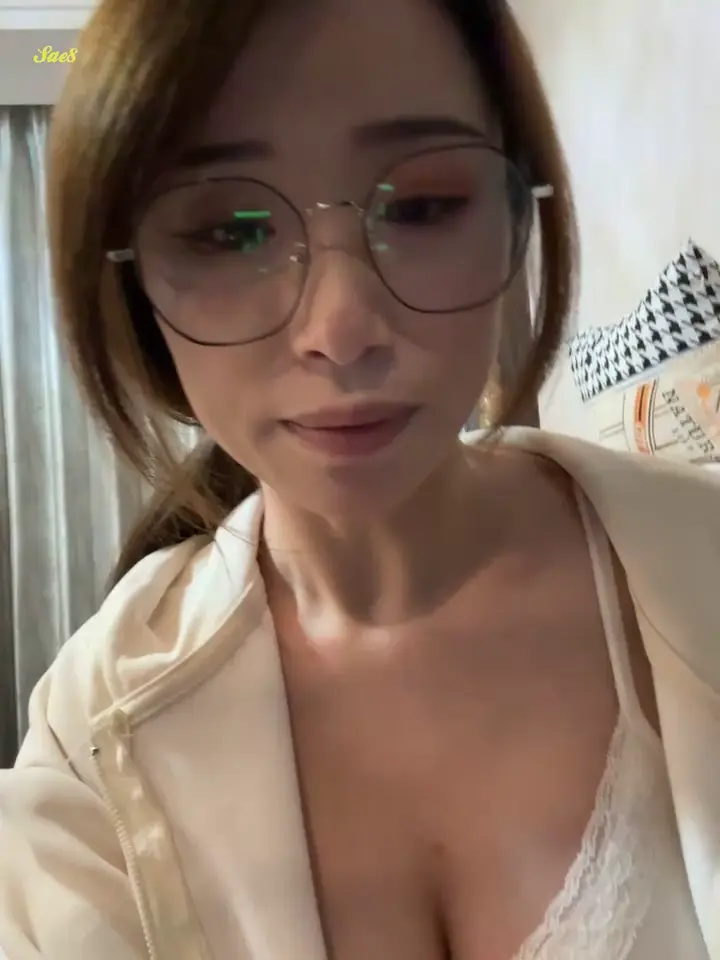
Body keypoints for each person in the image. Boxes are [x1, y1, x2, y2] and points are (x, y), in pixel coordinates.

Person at [1, 0, 718, 957]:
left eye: (422, 207)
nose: (340, 329)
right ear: (129, 284)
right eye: (230, 231)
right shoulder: (87, 744)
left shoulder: (700, 560)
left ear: (520, 212)